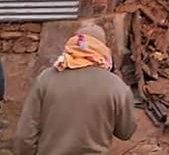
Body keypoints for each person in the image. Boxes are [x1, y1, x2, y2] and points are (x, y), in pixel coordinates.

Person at [15, 25, 136, 155]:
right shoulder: (117, 87)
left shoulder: (46, 78)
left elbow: (25, 134)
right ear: (103, 49)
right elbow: (125, 132)